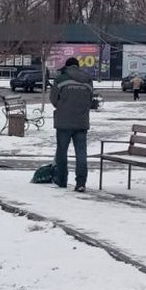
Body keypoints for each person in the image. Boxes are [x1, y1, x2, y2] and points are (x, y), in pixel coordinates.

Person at [50, 57, 95, 192]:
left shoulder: (61, 79)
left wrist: (63, 107)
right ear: (78, 65)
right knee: (81, 153)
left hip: (63, 122)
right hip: (81, 121)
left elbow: (53, 99)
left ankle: (62, 180)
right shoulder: (87, 79)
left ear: (67, 66)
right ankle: (81, 182)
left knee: (62, 152)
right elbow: (90, 99)